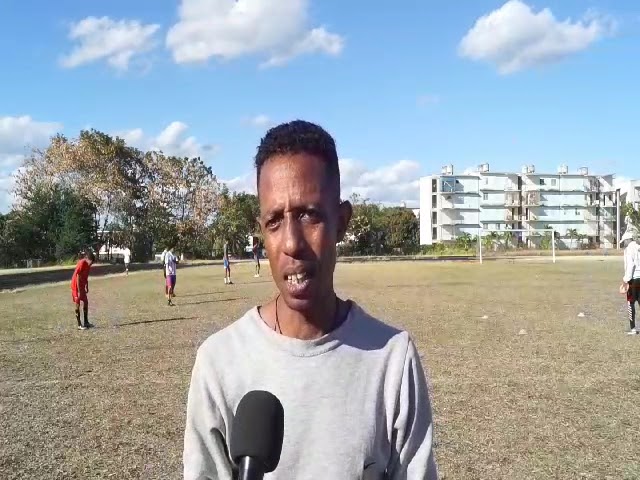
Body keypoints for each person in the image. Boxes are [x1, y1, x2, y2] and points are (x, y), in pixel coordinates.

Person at [183, 120, 438, 479]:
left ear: (342, 222)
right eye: (274, 221)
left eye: (308, 215)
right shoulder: (219, 362)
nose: (291, 243)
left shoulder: (392, 360)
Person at [621, 229, 640, 335]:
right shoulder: (638, 246)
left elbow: (630, 265)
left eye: (624, 241)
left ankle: (633, 329)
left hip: (634, 280)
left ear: (628, 239)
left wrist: (625, 280)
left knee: (630, 303)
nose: (624, 243)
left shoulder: (629, 249)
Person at [71, 251, 95, 330]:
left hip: (81, 285)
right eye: (91, 262)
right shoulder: (82, 263)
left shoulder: (88, 265)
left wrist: (86, 286)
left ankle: (86, 322)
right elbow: (78, 275)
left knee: (86, 302)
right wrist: (78, 290)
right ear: (87, 259)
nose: (91, 264)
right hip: (76, 285)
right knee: (77, 303)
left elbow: (85, 276)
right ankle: (79, 325)